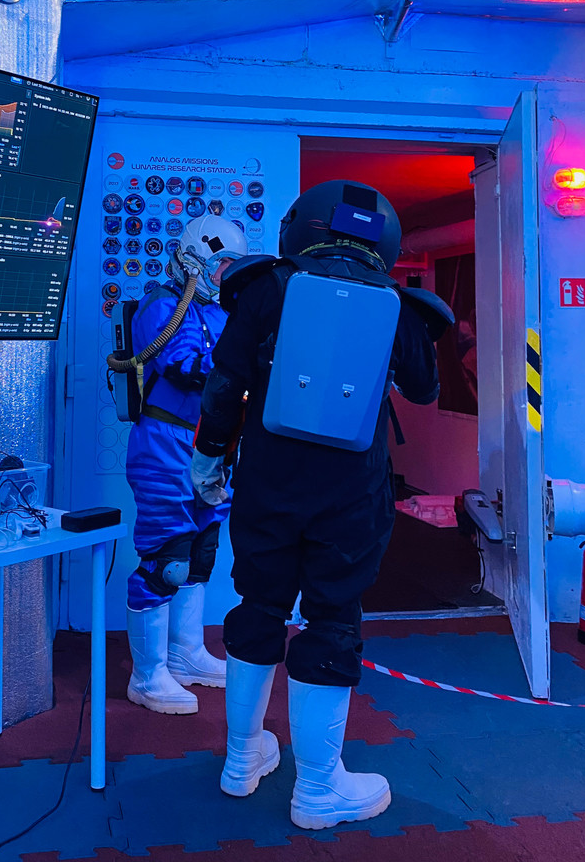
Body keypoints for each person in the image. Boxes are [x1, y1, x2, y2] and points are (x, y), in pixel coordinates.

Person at [191, 181, 452, 828]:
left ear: (301, 225)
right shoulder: (399, 304)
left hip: (267, 484)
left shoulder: (262, 286)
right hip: (351, 496)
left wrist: (208, 459)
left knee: (258, 607)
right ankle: (318, 788)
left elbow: (225, 383)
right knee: (332, 619)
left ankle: (241, 759)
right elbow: (425, 390)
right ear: (384, 239)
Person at [125, 214, 248, 714]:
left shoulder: (220, 313)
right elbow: (182, 366)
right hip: (165, 445)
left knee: (201, 554)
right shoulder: (162, 305)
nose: (226, 275)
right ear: (195, 259)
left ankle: (186, 653)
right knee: (167, 560)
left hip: (210, 447)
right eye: (222, 264)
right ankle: (146, 676)